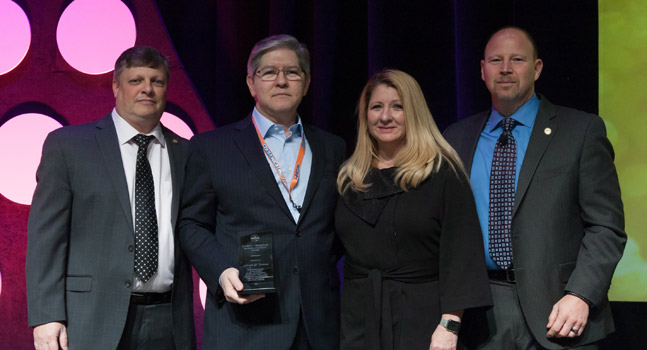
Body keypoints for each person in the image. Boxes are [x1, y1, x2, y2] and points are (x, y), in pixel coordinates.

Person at [443, 26, 626, 349]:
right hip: (481, 316)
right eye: (496, 60)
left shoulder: (580, 131)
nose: (506, 69)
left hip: (561, 312)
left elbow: (606, 227)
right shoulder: (456, 138)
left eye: (517, 59)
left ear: (537, 68)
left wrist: (581, 294)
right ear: (482, 70)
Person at [178, 34, 346, 350]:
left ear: (307, 83)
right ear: (251, 83)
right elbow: (192, 224)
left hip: (318, 325)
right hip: (245, 323)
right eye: (269, 72)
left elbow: (334, 231)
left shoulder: (333, 148)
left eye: (292, 72)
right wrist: (221, 271)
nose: (281, 81)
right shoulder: (212, 148)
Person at [26, 46, 196, 350]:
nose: (147, 88)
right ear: (115, 86)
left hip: (167, 319)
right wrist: (46, 315)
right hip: (91, 317)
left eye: (156, 81)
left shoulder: (186, 152)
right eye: (136, 80)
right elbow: (46, 239)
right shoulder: (69, 147)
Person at [335, 69, 492, 350]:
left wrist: (449, 325)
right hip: (360, 320)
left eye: (398, 107)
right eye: (376, 107)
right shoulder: (350, 178)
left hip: (424, 321)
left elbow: (462, 254)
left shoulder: (441, 173)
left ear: (415, 112)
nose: (385, 117)